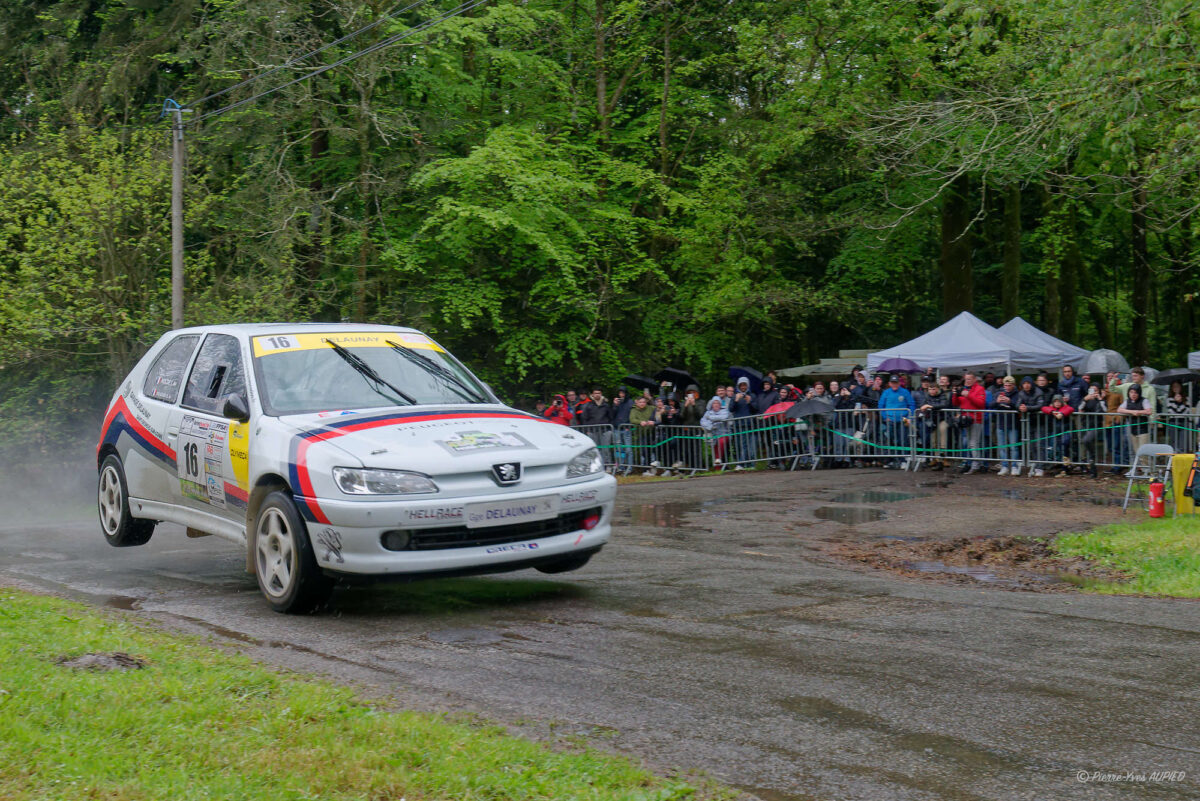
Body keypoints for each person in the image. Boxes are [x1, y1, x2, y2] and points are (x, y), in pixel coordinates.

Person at [878, 374, 915, 468]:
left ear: (899, 383)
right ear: (889, 383)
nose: (894, 385)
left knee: (903, 440)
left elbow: (911, 405)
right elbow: (881, 406)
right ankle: (890, 460)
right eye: (892, 383)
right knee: (889, 440)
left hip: (903, 420)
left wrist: (910, 417)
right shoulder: (886, 392)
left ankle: (903, 460)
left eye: (896, 383)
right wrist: (884, 417)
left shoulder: (905, 392)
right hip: (890, 420)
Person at [953, 371, 987, 474]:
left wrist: (969, 395)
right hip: (965, 420)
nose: (967, 381)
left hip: (976, 419)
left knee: (973, 443)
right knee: (969, 443)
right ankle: (975, 463)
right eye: (966, 379)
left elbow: (981, 404)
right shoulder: (963, 389)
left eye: (969, 379)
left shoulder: (979, 389)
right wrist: (955, 394)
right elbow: (955, 403)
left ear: (974, 380)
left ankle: (976, 465)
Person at [1036, 394, 1075, 476]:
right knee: (1052, 449)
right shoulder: (1052, 409)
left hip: (1065, 431)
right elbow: (1043, 408)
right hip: (1055, 433)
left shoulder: (1065, 407)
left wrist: (1061, 413)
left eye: (1058, 401)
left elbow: (1070, 409)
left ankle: (1065, 468)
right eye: (1055, 401)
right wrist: (1052, 412)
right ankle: (1055, 467)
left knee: (1064, 447)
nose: (1057, 403)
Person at [992, 376, 1022, 476]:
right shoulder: (998, 393)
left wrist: (1010, 402)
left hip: (1013, 424)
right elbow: (990, 405)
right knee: (1002, 447)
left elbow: (1018, 407)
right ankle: (1004, 466)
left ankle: (1014, 466)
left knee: (1014, 447)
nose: (1007, 387)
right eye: (1006, 385)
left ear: (1013, 385)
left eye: (1009, 385)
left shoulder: (1017, 394)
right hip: (1000, 423)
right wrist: (997, 401)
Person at [1077, 383, 1107, 476]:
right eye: (1091, 390)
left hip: (1095, 426)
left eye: (1096, 390)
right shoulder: (1086, 399)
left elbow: (1105, 410)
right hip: (1085, 425)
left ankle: (1092, 460)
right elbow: (1079, 409)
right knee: (1085, 444)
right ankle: (1091, 468)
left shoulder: (1100, 401)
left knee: (1087, 441)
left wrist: (1100, 399)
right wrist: (1085, 399)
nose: (1093, 392)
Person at [1119, 384, 1153, 455]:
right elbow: (1119, 409)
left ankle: (1148, 466)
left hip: (1143, 430)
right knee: (1137, 452)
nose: (1133, 394)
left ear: (1139, 393)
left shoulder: (1144, 400)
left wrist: (1139, 412)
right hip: (1133, 430)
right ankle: (1139, 466)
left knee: (1144, 453)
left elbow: (1149, 411)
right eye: (1131, 392)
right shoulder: (1127, 401)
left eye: (1135, 392)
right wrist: (1132, 412)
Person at [730, 377, 757, 468]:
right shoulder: (734, 396)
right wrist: (735, 400)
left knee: (746, 445)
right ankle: (745, 463)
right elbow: (730, 409)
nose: (743, 387)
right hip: (737, 425)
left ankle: (741, 464)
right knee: (738, 445)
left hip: (748, 424)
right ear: (738, 386)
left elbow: (755, 409)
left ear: (747, 385)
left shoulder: (752, 395)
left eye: (744, 385)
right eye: (741, 385)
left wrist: (749, 402)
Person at [700, 398, 732, 469]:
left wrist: (710, 418)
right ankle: (717, 469)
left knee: (721, 442)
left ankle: (718, 459)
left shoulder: (724, 411)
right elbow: (703, 421)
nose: (716, 405)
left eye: (718, 403)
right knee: (715, 449)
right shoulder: (708, 412)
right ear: (712, 404)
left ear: (720, 404)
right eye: (714, 403)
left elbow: (724, 417)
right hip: (713, 435)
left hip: (724, 433)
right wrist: (711, 426)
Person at [629, 395, 657, 473]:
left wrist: (653, 422)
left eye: (644, 402)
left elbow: (657, 412)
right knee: (644, 450)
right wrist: (640, 422)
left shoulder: (651, 408)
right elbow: (632, 419)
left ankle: (649, 466)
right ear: (637, 402)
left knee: (652, 449)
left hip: (652, 432)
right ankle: (646, 466)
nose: (642, 404)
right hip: (641, 433)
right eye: (640, 402)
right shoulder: (634, 410)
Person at [611, 387, 633, 474]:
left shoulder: (630, 402)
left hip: (626, 428)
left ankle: (630, 466)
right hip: (617, 428)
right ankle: (621, 466)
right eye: (620, 393)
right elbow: (612, 414)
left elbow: (631, 415)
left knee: (628, 449)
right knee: (619, 449)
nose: (621, 395)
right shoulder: (617, 403)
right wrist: (615, 405)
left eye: (623, 393)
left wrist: (629, 425)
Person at [1165, 384, 1192, 453]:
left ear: (1181, 388)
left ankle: (1182, 460)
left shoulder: (1187, 398)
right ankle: (1173, 461)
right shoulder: (1168, 399)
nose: (1175, 388)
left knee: (1183, 443)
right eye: (1174, 387)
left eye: (1177, 386)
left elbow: (1185, 412)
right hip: (1173, 422)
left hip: (1184, 422)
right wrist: (1175, 401)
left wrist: (1180, 402)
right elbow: (1172, 412)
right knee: (1173, 443)